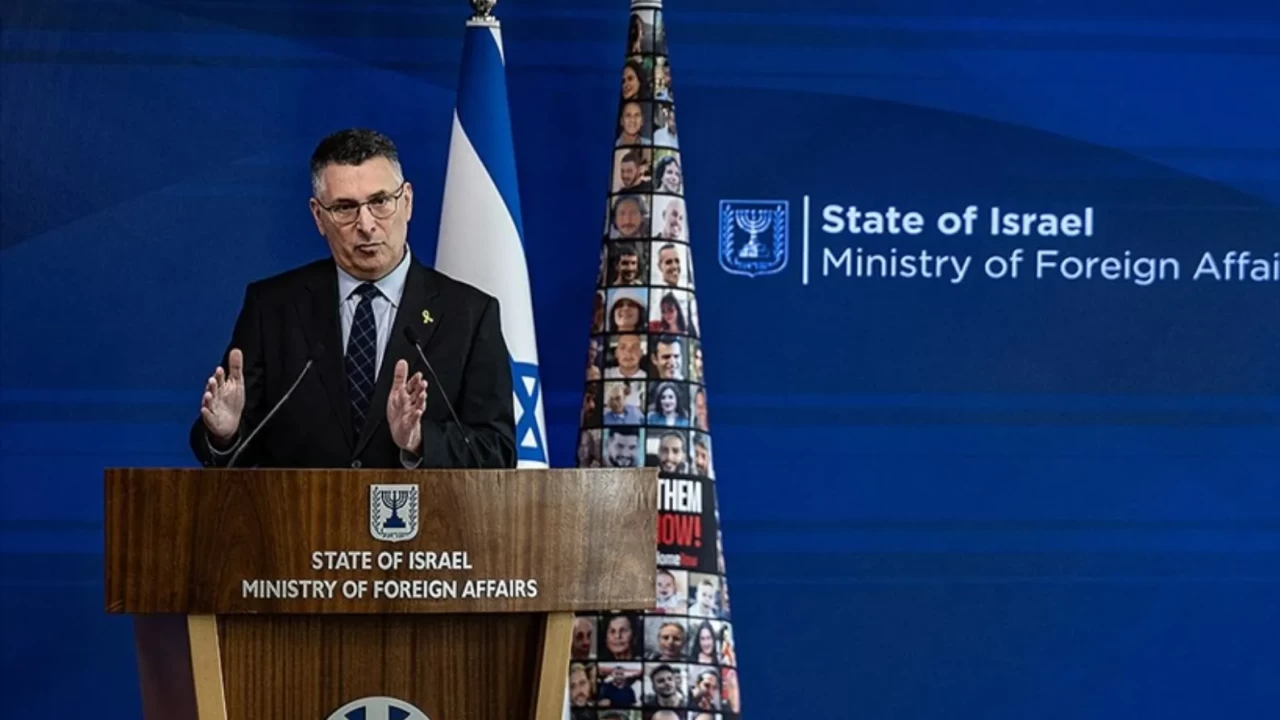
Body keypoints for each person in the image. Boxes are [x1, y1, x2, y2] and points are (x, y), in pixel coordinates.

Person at [190, 128, 516, 469]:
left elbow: (497, 452)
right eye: (345, 208)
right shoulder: (272, 308)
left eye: (380, 202)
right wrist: (225, 436)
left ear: (406, 201)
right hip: (301, 505)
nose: (366, 225)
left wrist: (420, 440)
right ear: (319, 216)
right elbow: (228, 444)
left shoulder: (469, 315)